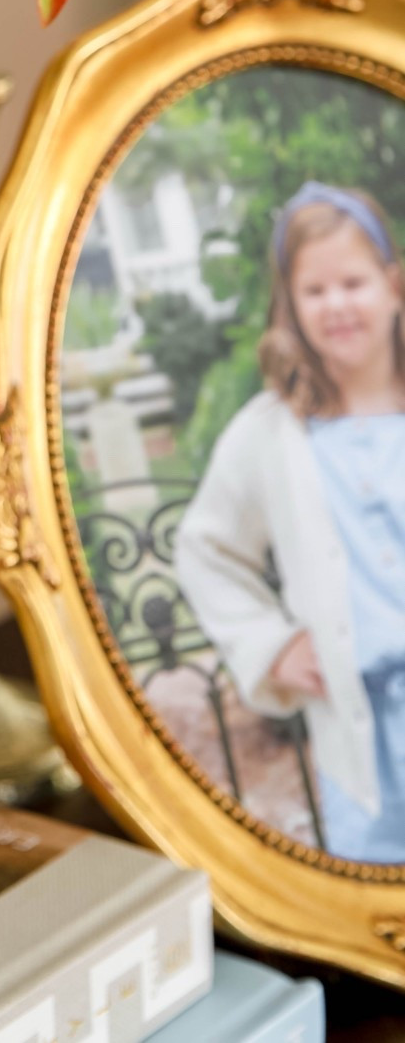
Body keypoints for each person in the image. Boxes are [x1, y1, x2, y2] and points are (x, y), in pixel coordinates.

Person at [175, 181, 405, 863]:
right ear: (291, 307)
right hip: (362, 749)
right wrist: (269, 646)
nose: (336, 305)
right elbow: (204, 550)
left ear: (392, 285)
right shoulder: (269, 434)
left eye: (353, 283)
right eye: (314, 291)